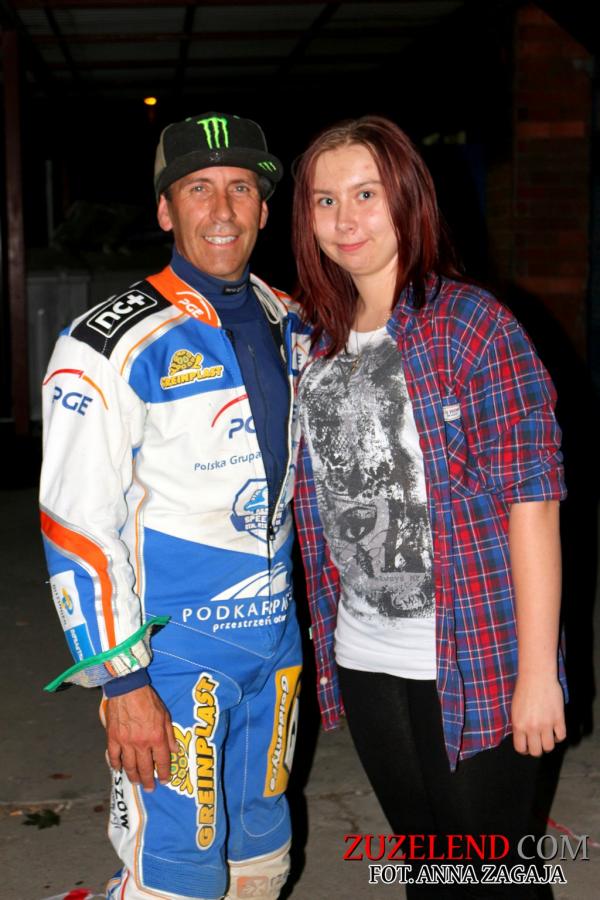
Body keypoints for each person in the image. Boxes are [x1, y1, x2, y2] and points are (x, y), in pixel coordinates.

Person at [291, 116, 567, 897]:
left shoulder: (473, 327)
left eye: (366, 194)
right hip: (365, 653)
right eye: (325, 200)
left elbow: (534, 503)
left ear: (408, 197)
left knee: (492, 877)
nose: (345, 218)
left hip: (475, 653)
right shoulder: (316, 341)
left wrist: (537, 675)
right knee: (428, 868)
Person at [40, 112, 304, 900]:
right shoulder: (106, 345)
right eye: (198, 189)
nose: (222, 210)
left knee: (262, 863)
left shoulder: (295, 321)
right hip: (173, 661)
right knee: (174, 880)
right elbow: (76, 528)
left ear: (264, 209)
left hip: (275, 649)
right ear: (165, 209)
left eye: (240, 189)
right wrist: (122, 684)